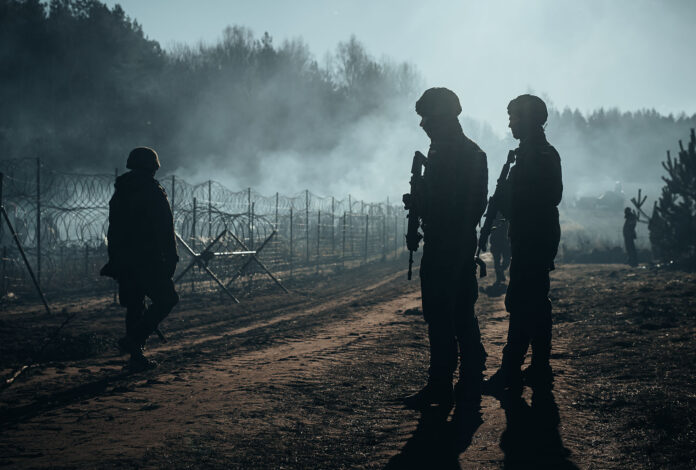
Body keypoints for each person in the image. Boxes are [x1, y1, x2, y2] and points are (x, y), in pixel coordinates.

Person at [403, 87, 488, 409]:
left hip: (450, 243)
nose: (423, 124)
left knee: (446, 313)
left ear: (444, 118)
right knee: (450, 313)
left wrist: (427, 204)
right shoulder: (444, 152)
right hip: (445, 241)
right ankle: (462, 380)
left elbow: (469, 206)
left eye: (428, 117)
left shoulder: (464, 154)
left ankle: (448, 383)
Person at [486, 94, 563, 396]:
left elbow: (548, 196)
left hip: (535, 237)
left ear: (527, 120)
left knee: (521, 302)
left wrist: (507, 200)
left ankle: (511, 369)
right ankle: (538, 368)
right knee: (533, 302)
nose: (509, 123)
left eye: (513, 117)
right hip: (531, 236)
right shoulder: (528, 153)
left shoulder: (540, 154)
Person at [100, 147, 179, 371]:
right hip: (149, 259)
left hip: (125, 259)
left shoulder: (121, 191)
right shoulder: (153, 190)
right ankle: (135, 339)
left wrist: (114, 260)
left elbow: (113, 230)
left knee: (135, 305)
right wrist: (171, 257)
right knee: (167, 299)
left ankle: (136, 357)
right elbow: (165, 227)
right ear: (152, 166)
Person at [489, 213, 511, 285]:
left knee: (497, 260)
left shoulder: (493, 215)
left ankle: (499, 274)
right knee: (506, 259)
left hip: (498, 241)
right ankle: (500, 273)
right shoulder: (507, 214)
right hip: (504, 241)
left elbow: (488, 227)